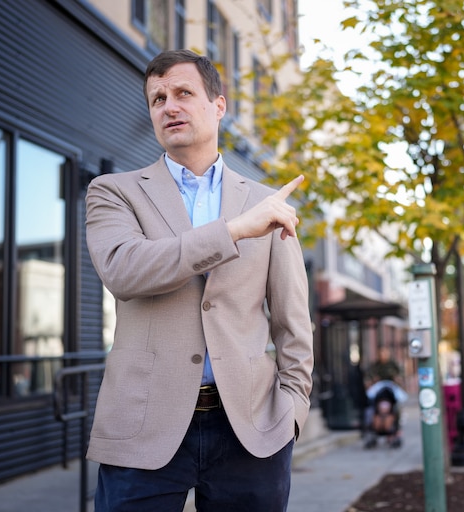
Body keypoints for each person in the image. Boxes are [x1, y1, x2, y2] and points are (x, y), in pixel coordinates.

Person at [84, 49, 314, 512]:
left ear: (219, 105)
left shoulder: (267, 202)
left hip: (250, 429)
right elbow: (124, 270)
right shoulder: (113, 191)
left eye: (183, 93)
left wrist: (292, 410)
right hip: (142, 427)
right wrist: (233, 230)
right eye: (157, 98)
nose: (169, 106)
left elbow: (293, 322)